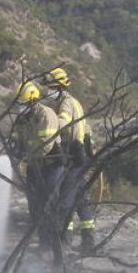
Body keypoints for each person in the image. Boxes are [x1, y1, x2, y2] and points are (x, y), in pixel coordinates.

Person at [41, 66, 97, 254]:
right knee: (81, 200)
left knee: (65, 202)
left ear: (58, 87)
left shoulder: (65, 103)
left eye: (49, 87)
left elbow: (63, 122)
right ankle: (89, 242)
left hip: (72, 157)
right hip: (80, 155)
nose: (46, 91)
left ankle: (65, 243)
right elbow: (86, 128)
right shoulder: (74, 101)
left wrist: (50, 124)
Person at [11, 81, 65, 262]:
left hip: (51, 165)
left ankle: (55, 245)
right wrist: (16, 153)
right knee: (34, 205)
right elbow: (20, 141)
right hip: (34, 166)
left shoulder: (46, 115)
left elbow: (46, 145)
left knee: (49, 203)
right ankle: (44, 243)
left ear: (33, 101)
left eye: (23, 103)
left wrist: (28, 156)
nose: (20, 107)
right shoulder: (22, 119)